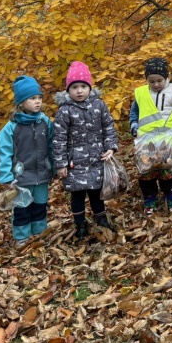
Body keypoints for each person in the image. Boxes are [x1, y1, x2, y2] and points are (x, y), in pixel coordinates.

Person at [53, 62, 119, 240]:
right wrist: (61, 164)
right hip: (75, 162)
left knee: (97, 192)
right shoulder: (65, 111)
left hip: (97, 158)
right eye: (74, 87)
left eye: (83, 86)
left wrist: (110, 147)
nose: (79, 91)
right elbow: (59, 139)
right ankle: (80, 224)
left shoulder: (99, 105)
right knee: (77, 195)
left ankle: (101, 220)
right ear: (68, 90)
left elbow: (108, 127)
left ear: (90, 87)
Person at [0, 76, 54, 248]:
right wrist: (6, 176)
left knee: (40, 205)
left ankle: (39, 232)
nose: (37, 101)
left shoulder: (45, 122)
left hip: (42, 173)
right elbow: (4, 152)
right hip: (21, 177)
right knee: (22, 208)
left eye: (39, 98)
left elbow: (52, 145)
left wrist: (55, 167)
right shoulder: (11, 127)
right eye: (32, 98)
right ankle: (22, 236)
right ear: (21, 102)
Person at [130, 57, 172, 214]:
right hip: (146, 139)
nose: (155, 84)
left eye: (159, 80)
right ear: (146, 79)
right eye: (151, 81)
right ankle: (150, 199)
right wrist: (133, 124)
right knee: (146, 170)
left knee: (167, 170)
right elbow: (134, 111)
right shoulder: (141, 93)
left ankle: (171, 196)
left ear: (166, 77)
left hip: (167, 138)